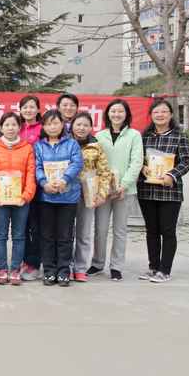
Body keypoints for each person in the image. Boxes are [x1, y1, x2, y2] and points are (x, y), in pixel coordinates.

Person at [137, 99, 189, 283]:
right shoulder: (144, 136)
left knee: (168, 231)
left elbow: (187, 161)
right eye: (156, 112)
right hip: (147, 190)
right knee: (151, 231)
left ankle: (165, 270)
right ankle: (153, 267)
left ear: (170, 115)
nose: (160, 115)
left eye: (163, 112)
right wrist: (142, 167)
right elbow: (137, 158)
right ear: (151, 115)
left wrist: (172, 174)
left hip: (170, 192)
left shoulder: (179, 136)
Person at [91, 99, 144, 281]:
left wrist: (124, 185)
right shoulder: (99, 136)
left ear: (126, 114)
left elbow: (136, 162)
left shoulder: (134, 135)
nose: (116, 114)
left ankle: (116, 266)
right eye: (113, 111)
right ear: (108, 114)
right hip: (103, 191)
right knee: (100, 229)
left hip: (125, 191)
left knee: (120, 230)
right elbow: (95, 162)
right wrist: (100, 187)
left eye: (120, 111)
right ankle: (97, 263)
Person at [0, 112, 36, 285]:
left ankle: (15, 269)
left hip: (20, 200)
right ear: (1, 127)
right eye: (7, 125)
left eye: (14, 124)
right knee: (0, 235)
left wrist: (26, 196)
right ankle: (2, 269)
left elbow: (31, 174)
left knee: (19, 236)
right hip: (0, 200)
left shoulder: (27, 148)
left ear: (19, 127)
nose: (10, 128)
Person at [34, 109, 84, 287]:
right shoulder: (39, 146)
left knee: (65, 236)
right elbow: (37, 166)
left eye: (55, 123)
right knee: (47, 235)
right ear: (43, 126)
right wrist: (43, 182)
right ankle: (49, 270)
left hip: (68, 197)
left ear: (62, 125)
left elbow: (77, 163)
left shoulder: (72, 144)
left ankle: (63, 271)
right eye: (48, 124)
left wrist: (64, 179)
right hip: (46, 197)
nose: (52, 127)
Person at [69, 112, 112, 282]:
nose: (81, 128)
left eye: (85, 125)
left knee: (84, 233)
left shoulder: (96, 146)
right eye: (78, 124)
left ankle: (80, 268)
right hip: (66, 194)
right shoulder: (64, 142)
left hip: (88, 195)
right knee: (66, 233)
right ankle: (66, 266)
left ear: (91, 128)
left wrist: (102, 194)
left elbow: (104, 172)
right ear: (72, 126)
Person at [18, 95, 44, 281]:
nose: (28, 110)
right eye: (25, 107)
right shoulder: (16, 127)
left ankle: (35, 263)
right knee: (22, 226)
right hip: (18, 185)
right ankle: (25, 261)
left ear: (38, 109)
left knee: (36, 226)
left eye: (32, 107)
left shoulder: (43, 129)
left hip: (39, 183)